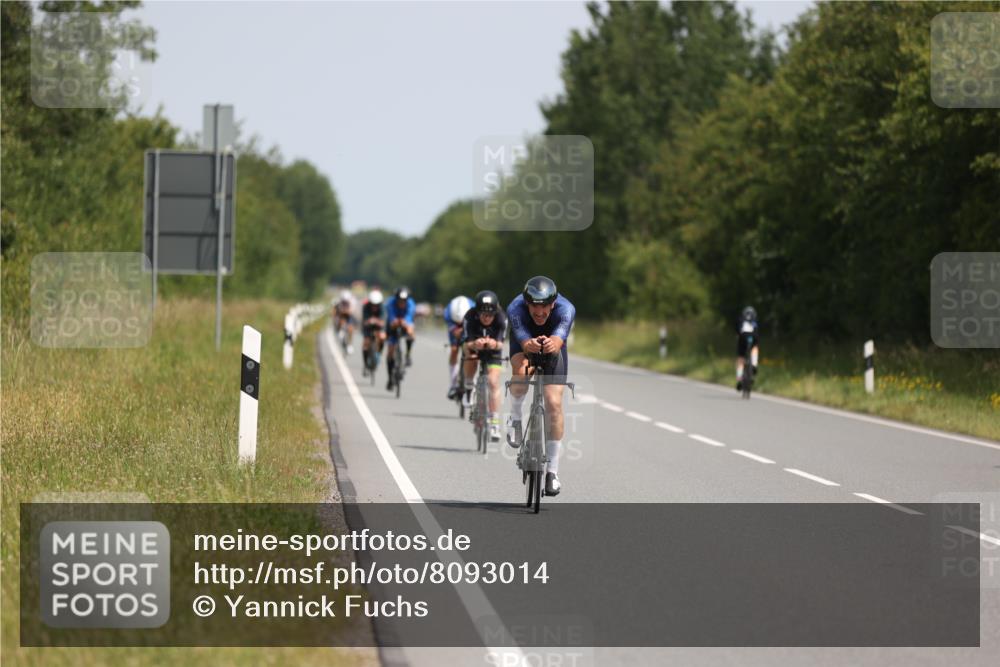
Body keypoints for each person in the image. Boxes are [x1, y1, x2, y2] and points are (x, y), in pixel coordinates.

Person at [506, 276, 575, 496]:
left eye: (545, 306)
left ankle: (552, 472)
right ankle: (515, 418)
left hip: (553, 347)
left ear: (553, 303)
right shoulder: (515, 308)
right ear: (527, 303)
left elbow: (556, 344)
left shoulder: (566, 310)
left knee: (554, 402)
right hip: (523, 345)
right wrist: (530, 344)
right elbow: (524, 341)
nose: (540, 312)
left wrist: (550, 343)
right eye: (535, 306)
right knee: (522, 374)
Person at [460, 290, 507, 442]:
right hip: (474, 347)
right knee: (470, 356)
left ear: (496, 312)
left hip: (493, 352)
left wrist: (494, 343)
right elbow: (466, 344)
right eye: (483, 314)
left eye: (490, 315)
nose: (487, 318)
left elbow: (501, 343)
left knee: (493, 382)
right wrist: (475, 343)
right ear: (477, 312)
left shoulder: (501, 317)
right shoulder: (469, 316)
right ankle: (468, 385)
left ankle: (494, 422)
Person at [385, 286, 416, 390]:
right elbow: (391, 318)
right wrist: (395, 321)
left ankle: (408, 354)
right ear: (396, 299)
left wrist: (405, 322)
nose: (402, 303)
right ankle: (390, 378)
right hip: (393, 324)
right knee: (390, 352)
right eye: (400, 301)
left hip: (405, 323)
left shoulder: (411, 303)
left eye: (404, 301)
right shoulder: (390, 303)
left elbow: (409, 316)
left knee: (411, 331)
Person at [444, 295, 475, 399]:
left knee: (472, 351)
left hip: (470, 324)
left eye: (460, 322)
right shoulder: (449, 311)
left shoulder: (472, 307)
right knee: (454, 350)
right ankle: (453, 384)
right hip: (454, 327)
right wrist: (454, 329)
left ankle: (471, 379)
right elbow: (449, 323)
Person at [361, 289, 386, 375]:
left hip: (379, 326)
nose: (375, 306)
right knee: (366, 343)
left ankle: (379, 353)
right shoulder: (365, 307)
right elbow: (364, 321)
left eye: (377, 305)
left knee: (382, 337)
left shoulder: (382, 308)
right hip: (368, 327)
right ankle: (366, 364)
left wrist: (375, 321)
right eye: (373, 304)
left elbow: (383, 321)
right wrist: (369, 321)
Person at [736, 305, 760, 391]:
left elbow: (738, 331)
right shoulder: (755, 319)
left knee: (741, 358)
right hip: (753, 337)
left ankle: (739, 378)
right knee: (755, 348)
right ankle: (754, 363)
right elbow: (757, 331)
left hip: (742, 337)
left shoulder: (741, 319)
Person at [333, 289, 357, 354]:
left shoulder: (353, 301)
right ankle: (339, 330)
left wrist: (345, 311)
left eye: (346, 301)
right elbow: (335, 311)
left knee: (351, 329)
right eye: (344, 301)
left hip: (350, 316)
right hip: (341, 315)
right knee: (339, 320)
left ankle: (350, 344)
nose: (345, 302)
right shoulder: (338, 302)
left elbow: (350, 312)